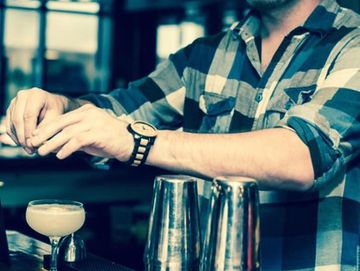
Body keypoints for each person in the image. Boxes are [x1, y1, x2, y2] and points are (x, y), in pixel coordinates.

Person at [5, 0, 360, 270]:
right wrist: (59, 107)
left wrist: (139, 142)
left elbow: (301, 158)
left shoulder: (352, 45)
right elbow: (119, 112)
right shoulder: (205, 55)